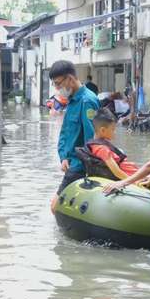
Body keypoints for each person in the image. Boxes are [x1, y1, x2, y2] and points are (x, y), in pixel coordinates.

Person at [49, 60, 100, 212]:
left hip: (79, 166)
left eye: (58, 84)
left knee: (55, 206)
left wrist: (86, 170)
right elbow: (66, 132)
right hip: (70, 162)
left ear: (70, 79)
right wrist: (64, 157)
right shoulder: (72, 100)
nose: (57, 88)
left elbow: (92, 140)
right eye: (55, 85)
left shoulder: (87, 101)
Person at [84, 108, 139, 180]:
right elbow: (116, 172)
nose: (115, 132)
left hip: (134, 174)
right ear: (103, 130)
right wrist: (133, 182)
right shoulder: (102, 149)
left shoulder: (96, 145)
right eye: (113, 129)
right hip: (133, 177)